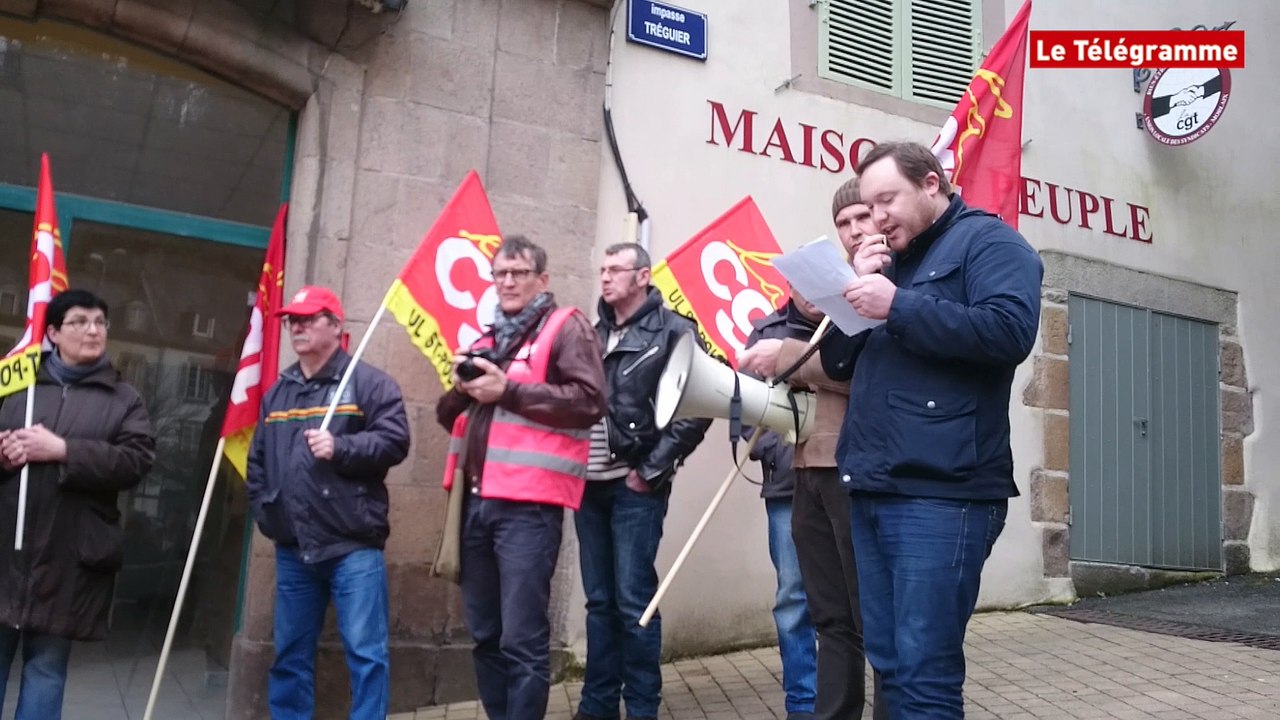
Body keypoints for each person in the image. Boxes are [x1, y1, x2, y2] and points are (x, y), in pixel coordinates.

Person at [820, 142, 1043, 719]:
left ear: (931, 184)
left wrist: (897, 305)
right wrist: (856, 288)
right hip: (874, 482)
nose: (877, 217)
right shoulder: (892, 262)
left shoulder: (991, 243)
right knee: (892, 667)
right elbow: (842, 364)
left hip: (943, 493)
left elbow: (1008, 333)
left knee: (924, 676)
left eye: (887, 199)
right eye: (868, 207)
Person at [436, 235, 607, 720]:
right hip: (474, 506)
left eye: (518, 273)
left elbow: (590, 402)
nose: (507, 282)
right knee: (485, 635)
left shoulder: (565, 327)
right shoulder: (486, 340)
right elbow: (450, 418)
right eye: (500, 274)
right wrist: (460, 388)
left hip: (529, 510)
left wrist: (507, 390)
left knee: (521, 638)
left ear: (542, 280)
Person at [738, 178, 886, 720]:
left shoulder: (883, 288)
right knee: (829, 616)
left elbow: (863, 374)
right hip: (807, 466)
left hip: (853, 467)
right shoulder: (837, 290)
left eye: (862, 219)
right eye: (844, 223)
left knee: (870, 615)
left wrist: (786, 357)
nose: (853, 231)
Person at [246, 284, 410, 720]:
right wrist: (268, 513)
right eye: (291, 320)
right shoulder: (277, 393)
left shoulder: (369, 382)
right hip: (293, 548)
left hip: (351, 545)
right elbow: (257, 461)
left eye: (308, 318)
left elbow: (396, 442)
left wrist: (342, 448)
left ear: (336, 326)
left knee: (366, 656)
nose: (296, 326)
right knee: (290, 656)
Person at [0, 289, 156, 720]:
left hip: (67, 559)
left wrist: (64, 450)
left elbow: (136, 461)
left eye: (100, 322)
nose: (93, 330)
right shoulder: (15, 384)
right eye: (80, 322)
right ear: (52, 332)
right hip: (5, 556)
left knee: (46, 671)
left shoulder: (125, 399)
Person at [574, 242, 710, 720]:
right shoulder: (591, 335)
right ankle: (596, 707)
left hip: (634, 486)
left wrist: (650, 471)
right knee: (599, 603)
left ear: (643, 277)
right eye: (603, 269)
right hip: (587, 485)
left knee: (634, 602)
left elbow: (697, 408)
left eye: (616, 269)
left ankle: (643, 708)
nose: (605, 277)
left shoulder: (674, 331)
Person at [742, 288, 821, 720]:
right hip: (788, 486)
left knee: (842, 601)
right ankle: (803, 706)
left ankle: (836, 699)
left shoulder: (848, 326)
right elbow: (747, 412)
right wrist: (781, 449)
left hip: (841, 484)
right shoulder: (767, 334)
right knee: (793, 599)